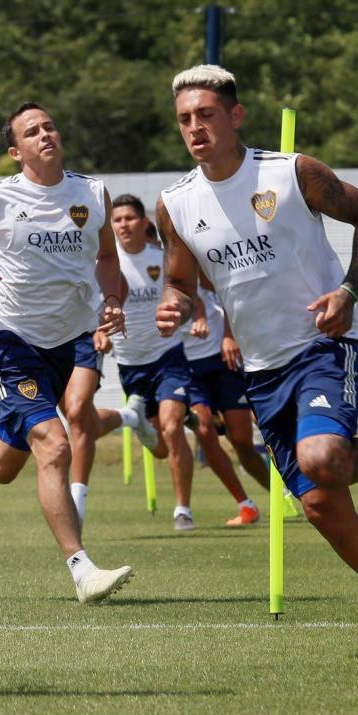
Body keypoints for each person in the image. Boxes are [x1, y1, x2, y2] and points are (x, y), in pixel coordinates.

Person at [155, 64, 358, 656]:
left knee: (321, 459)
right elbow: (179, 279)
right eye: (185, 119)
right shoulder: (175, 204)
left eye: (207, 116)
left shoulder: (292, 173)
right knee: (322, 508)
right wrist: (173, 304)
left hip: (321, 348)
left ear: (235, 116)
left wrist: (348, 290)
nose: (195, 128)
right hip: (262, 373)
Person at [0, 102, 142, 602]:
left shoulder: (92, 193)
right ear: (16, 152)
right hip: (9, 342)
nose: (46, 134)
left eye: (50, 126)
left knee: (1, 464)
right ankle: (83, 571)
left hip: (68, 341)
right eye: (32, 131)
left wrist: (114, 298)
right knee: (55, 444)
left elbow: (107, 257)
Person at [104, 193, 254, 530]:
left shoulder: (162, 259)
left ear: (144, 223)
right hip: (130, 364)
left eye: (130, 218)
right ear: (111, 226)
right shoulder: (107, 264)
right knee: (159, 448)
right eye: (117, 220)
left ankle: (182, 510)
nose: (124, 224)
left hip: (169, 358)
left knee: (177, 427)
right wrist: (98, 334)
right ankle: (143, 423)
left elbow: (193, 296)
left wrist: (198, 318)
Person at [183, 281, 301, 522]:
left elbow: (228, 292)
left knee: (241, 440)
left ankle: (286, 494)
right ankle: (246, 505)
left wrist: (228, 335)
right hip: (185, 367)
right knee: (203, 429)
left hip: (222, 361)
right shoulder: (150, 266)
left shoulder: (194, 255)